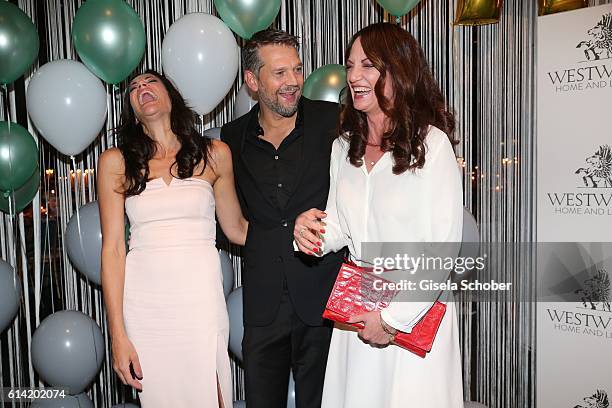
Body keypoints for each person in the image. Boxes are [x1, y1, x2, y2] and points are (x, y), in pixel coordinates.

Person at [293, 23, 464, 407]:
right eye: (351, 65)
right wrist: (310, 231)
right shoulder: (343, 147)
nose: (354, 76)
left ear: (398, 71)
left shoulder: (431, 146)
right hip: (357, 306)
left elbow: (444, 249)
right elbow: (338, 227)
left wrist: (392, 320)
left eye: (368, 65)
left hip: (414, 310)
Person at [98, 69, 247, 408]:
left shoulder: (216, 154)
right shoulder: (115, 162)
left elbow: (237, 229)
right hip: (146, 308)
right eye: (134, 87)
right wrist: (118, 336)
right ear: (132, 110)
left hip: (201, 303)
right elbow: (113, 249)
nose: (142, 88)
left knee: (214, 394)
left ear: (172, 97)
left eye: (151, 82)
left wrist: (289, 229)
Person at [220, 29, 344, 408]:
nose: (292, 81)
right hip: (262, 305)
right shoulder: (232, 138)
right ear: (252, 81)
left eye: (297, 69)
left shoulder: (334, 122)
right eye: (279, 73)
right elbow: (237, 224)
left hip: (325, 301)